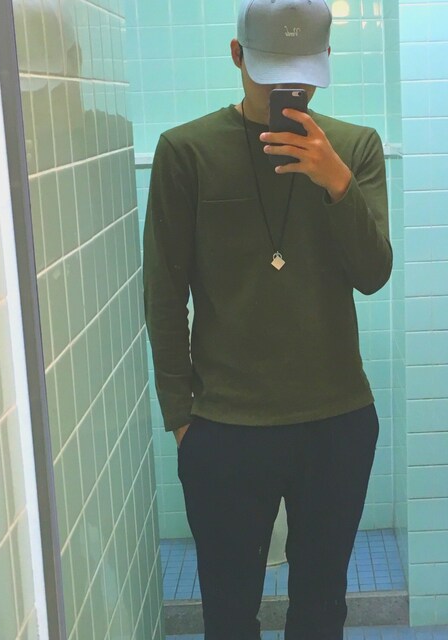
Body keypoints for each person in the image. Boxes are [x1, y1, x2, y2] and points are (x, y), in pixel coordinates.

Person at [142, 0, 393, 638]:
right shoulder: (186, 151)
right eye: (272, 73)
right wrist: (180, 416)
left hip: (336, 420)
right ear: (237, 56)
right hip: (224, 425)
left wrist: (337, 185)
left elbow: (373, 274)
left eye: (303, 75)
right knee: (228, 612)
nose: (290, 91)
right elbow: (164, 292)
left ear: (326, 60)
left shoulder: (356, 148)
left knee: (321, 606)